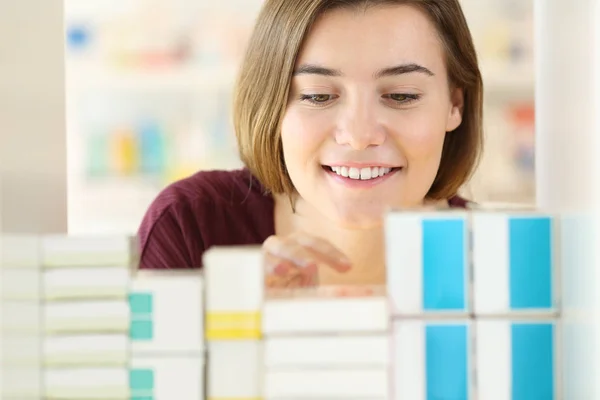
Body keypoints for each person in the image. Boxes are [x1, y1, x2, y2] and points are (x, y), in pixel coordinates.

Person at [137, 0, 483, 288]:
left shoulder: (498, 257)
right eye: (318, 96)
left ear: (455, 105)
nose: (359, 135)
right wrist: (239, 334)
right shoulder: (189, 227)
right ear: (272, 103)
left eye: (401, 96)